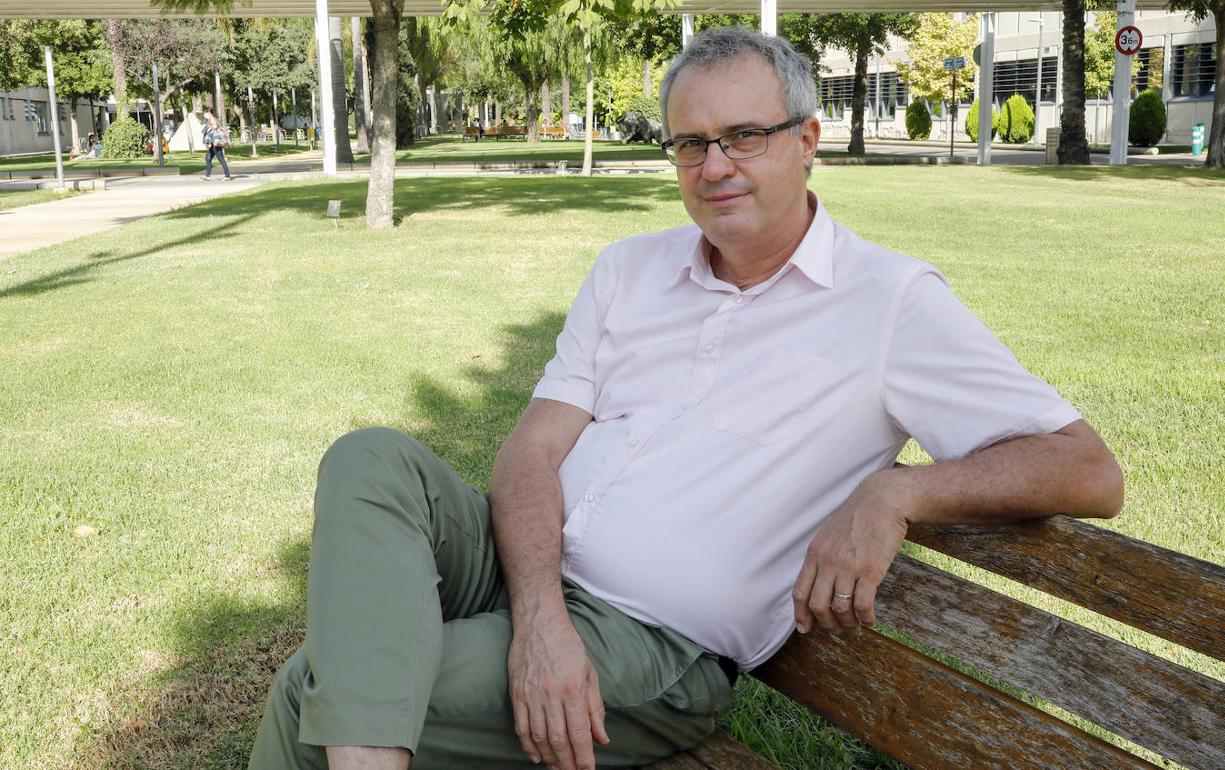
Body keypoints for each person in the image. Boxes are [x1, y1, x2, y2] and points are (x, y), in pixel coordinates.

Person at [249, 26, 1123, 770]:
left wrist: (901, 492)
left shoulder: (889, 302)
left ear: (807, 140)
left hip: (649, 646)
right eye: (691, 144)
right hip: (526, 567)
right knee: (368, 459)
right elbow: (530, 454)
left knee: (316, 687)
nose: (715, 167)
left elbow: (1086, 469)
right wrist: (540, 620)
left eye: (744, 136)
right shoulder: (629, 270)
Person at [202, 106, 232, 180]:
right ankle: (207, 175)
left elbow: (215, 126)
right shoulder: (211, 119)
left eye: (206, 112)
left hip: (216, 142)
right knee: (208, 158)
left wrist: (210, 128)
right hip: (213, 142)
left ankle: (227, 176)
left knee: (221, 159)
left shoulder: (212, 118)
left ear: (209, 112)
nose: (205, 114)